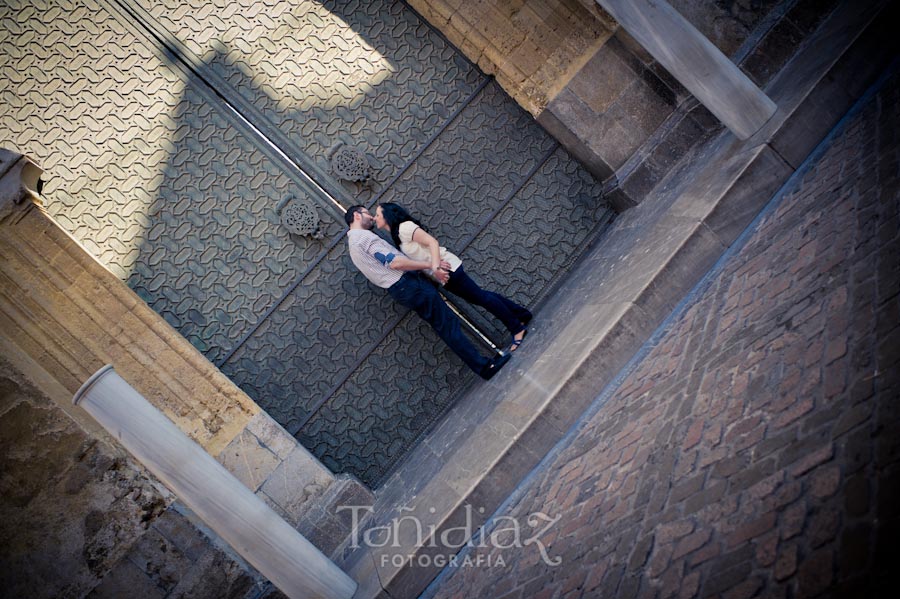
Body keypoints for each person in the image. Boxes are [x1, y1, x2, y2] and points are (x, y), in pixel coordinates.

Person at [344, 205, 511, 380]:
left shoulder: (353, 244)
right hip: (408, 284)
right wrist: (429, 265)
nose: (371, 217)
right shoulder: (364, 238)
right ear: (357, 215)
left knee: (445, 325)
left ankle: (484, 361)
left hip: (400, 289)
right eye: (368, 213)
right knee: (448, 325)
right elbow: (394, 263)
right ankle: (485, 367)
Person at [375, 202, 532, 352]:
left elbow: (432, 242)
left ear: (387, 215)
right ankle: (521, 315)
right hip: (442, 275)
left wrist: (436, 267)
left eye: (377, 214)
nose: (375, 218)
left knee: (482, 298)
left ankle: (517, 328)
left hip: (448, 269)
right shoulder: (398, 235)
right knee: (480, 297)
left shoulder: (405, 227)